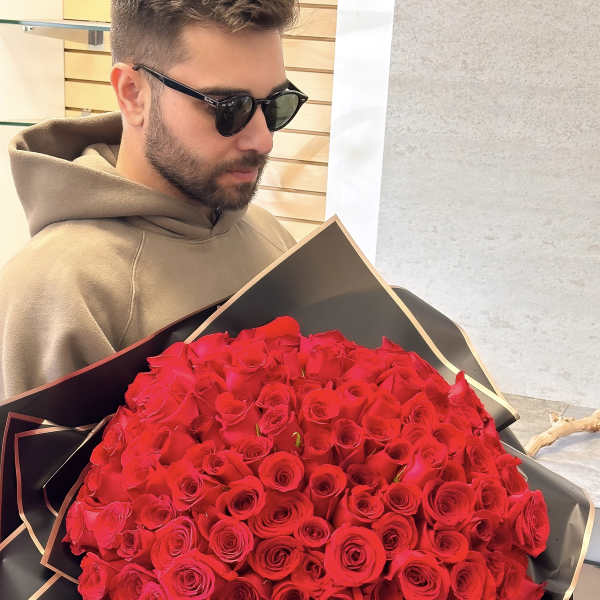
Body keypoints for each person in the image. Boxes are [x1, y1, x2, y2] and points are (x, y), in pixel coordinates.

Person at [0, 0, 306, 400]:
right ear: (133, 94)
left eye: (277, 104)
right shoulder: (56, 291)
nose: (263, 140)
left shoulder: (271, 237)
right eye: (229, 109)